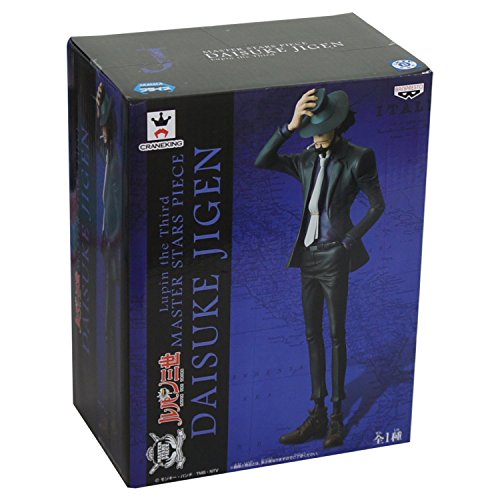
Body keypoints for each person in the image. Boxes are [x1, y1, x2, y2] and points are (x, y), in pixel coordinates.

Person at [255, 88, 385, 448]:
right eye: (310, 129)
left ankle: (337, 417)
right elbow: (263, 161)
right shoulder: (306, 160)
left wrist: (350, 240)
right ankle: (317, 413)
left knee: (336, 334)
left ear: (338, 124)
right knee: (312, 335)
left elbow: (377, 205)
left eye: (321, 128)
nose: (315, 135)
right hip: (308, 257)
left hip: (335, 255)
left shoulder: (358, 158)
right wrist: (289, 125)